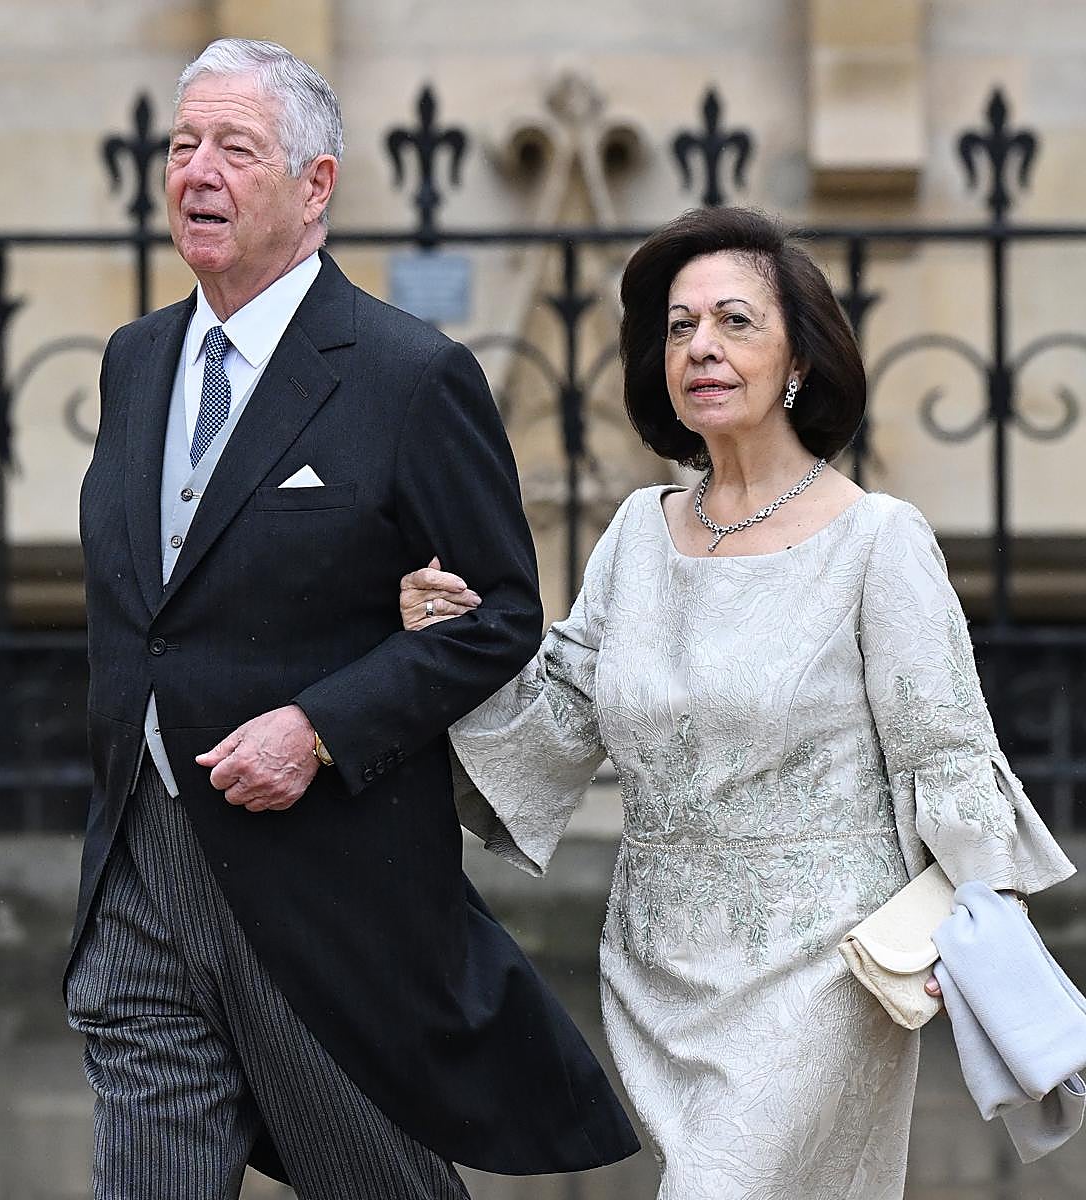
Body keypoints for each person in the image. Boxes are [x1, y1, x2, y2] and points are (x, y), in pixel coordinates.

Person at [399, 205, 1075, 1199]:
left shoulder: (877, 540)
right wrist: (449, 641)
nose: (701, 347)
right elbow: (559, 719)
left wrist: (984, 918)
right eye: (680, 327)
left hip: (827, 974)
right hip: (656, 967)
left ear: (798, 360)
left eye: (734, 321)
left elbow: (946, 751)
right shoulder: (636, 533)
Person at [65, 36, 638, 1200]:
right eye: (183, 146)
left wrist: (319, 729)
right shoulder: (136, 361)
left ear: (315, 185)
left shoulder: (406, 375)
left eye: (236, 148)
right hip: (138, 865)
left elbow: (500, 614)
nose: (197, 172)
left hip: (318, 890)